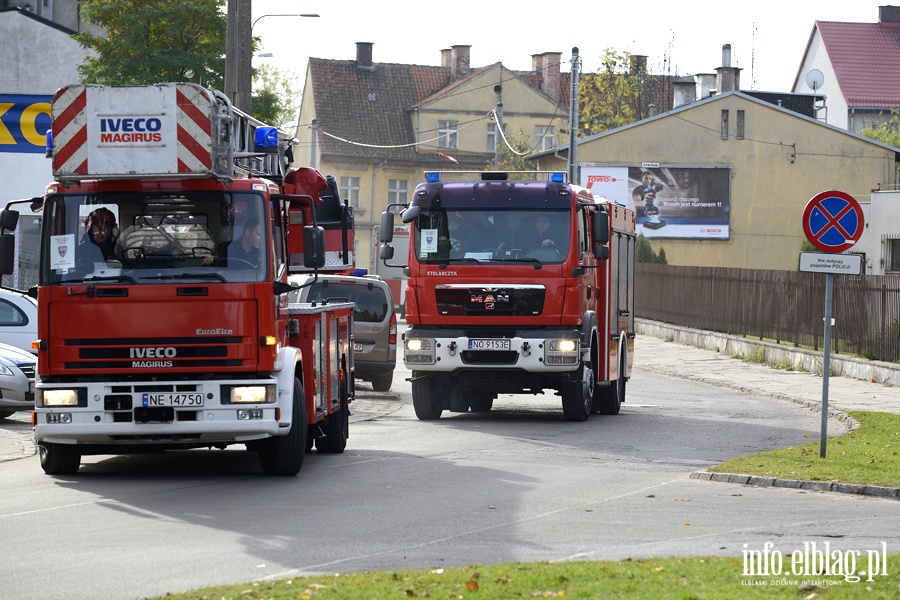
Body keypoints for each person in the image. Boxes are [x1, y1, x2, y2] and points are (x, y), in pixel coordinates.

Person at [75, 207, 119, 272]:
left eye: (107, 228)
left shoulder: (116, 249)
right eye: (99, 228)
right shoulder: (81, 251)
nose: (103, 233)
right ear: (90, 229)